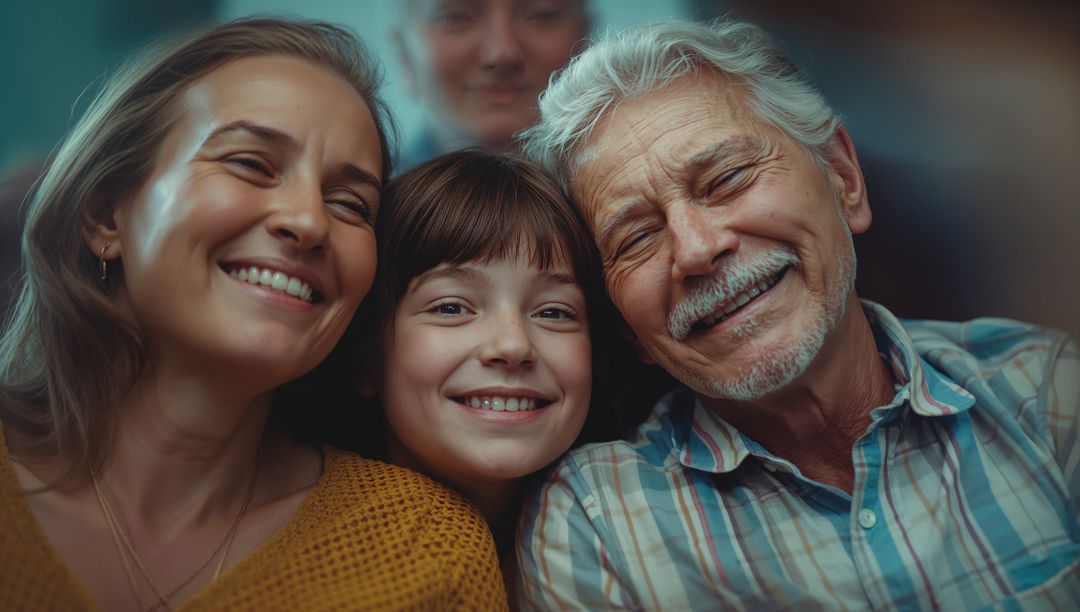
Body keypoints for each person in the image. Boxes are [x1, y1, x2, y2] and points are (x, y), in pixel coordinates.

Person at [516, 18, 1080, 610]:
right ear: (624, 326)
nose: (697, 249)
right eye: (635, 239)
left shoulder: (1046, 390)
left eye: (727, 179)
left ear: (843, 178)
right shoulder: (598, 525)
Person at [0, 18, 506, 611]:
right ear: (105, 214)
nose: (309, 221)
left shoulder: (427, 548)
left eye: (350, 204)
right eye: (250, 164)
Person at [356, 149, 614, 590]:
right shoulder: (312, 551)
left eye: (553, 312)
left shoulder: (630, 530)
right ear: (366, 356)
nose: (513, 345)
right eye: (451, 307)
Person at [393, 0, 589, 172]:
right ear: (404, 54)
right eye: (456, 17)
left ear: (585, 40)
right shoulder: (383, 201)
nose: (501, 53)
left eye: (541, 15)